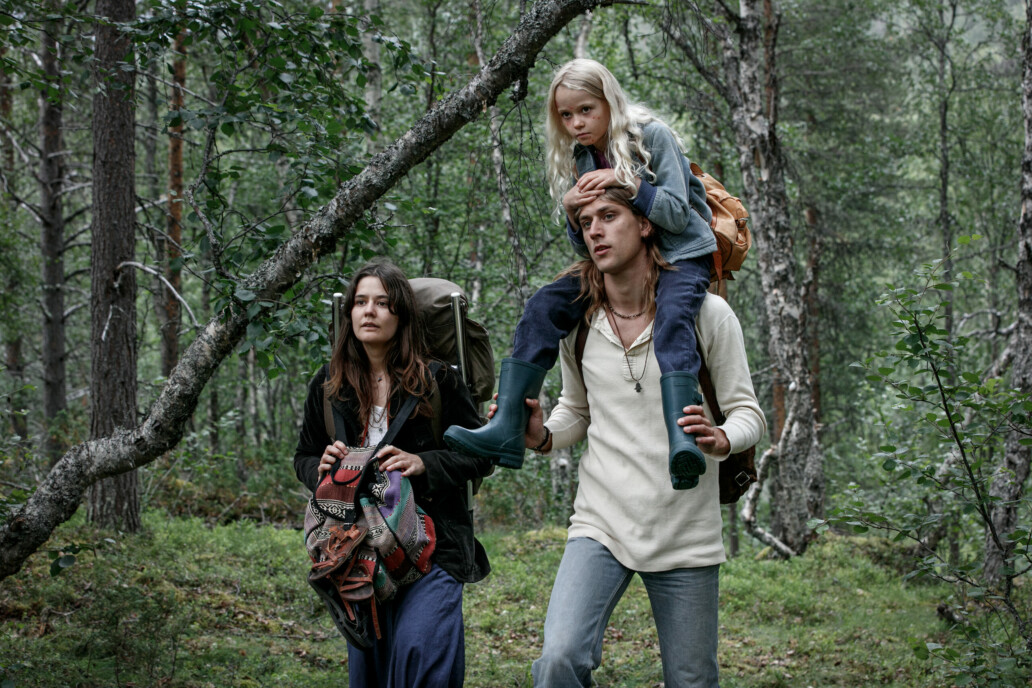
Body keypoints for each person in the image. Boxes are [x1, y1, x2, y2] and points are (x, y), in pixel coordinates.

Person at [495, 187, 765, 687]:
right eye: (585, 222)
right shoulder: (580, 323)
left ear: (645, 225)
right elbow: (577, 410)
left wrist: (722, 437)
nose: (595, 230)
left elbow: (749, 413)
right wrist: (543, 436)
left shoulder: (707, 314)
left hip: (685, 531)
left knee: (691, 680)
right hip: (602, 522)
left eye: (609, 216)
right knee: (558, 661)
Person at [445, 58, 718, 491]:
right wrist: (574, 212)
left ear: (610, 102)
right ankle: (508, 426)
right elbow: (589, 244)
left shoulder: (653, 136)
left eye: (586, 110)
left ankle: (682, 439)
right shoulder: (583, 156)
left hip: (681, 253)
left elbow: (677, 215)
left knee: (672, 319)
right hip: (623, 260)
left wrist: (628, 182)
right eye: (566, 115)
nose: (576, 123)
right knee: (544, 305)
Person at [293, 259, 492, 688]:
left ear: (401, 315)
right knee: (372, 671)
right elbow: (304, 456)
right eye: (360, 302)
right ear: (349, 313)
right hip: (359, 552)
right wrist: (322, 469)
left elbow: (481, 456)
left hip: (433, 546)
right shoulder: (329, 385)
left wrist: (425, 463)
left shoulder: (437, 381)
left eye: (382, 303)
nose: (369, 311)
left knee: (422, 652)